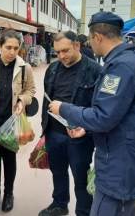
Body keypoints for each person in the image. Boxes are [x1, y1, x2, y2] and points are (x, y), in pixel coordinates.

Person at [49, 12, 135, 216]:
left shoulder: (120, 67)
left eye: (90, 39)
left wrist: (64, 108)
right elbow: (116, 112)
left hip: (120, 160)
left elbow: (103, 116)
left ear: (97, 37)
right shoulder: (132, 59)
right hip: (127, 154)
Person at [39, 31, 101, 216]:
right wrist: (45, 129)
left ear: (77, 45)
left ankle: (83, 211)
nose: (61, 56)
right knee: (57, 172)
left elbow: (99, 108)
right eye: (57, 52)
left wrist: (87, 130)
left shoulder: (95, 70)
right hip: (54, 134)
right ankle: (59, 203)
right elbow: (46, 99)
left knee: (80, 178)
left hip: (80, 138)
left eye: (65, 50)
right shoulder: (52, 69)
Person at [0, 29, 36, 213]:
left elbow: (30, 91)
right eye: (8, 47)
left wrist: (22, 100)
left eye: (16, 48)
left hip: (11, 123)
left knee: (10, 161)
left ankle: (9, 193)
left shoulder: (24, 68)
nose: (12, 52)